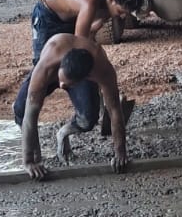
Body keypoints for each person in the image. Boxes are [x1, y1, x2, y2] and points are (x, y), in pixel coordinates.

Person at [28, 0, 143, 129]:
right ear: (112, 0)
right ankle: (26, 106)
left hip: (70, 17)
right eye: (121, 12)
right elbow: (79, 47)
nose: (121, 17)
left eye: (125, 14)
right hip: (48, 15)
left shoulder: (112, 2)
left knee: (83, 68)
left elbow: (91, 35)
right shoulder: (90, 2)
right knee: (46, 66)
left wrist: (103, 89)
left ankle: (88, 112)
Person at [13, 33, 130, 181]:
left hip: (78, 72)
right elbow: (31, 116)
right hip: (52, 63)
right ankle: (35, 154)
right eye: (61, 81)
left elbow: (114, 111)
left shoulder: (103, 69)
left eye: (66, 84)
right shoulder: (46, 65)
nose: (61, 86)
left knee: (88, 119)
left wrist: (120, 153)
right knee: (22, 110)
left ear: (87, 78)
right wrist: (29, 161)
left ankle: (63, 133)